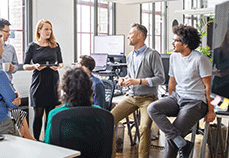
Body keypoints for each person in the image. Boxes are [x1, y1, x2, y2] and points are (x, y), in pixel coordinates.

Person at [147, 24, 216, 158]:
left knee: (171, 137)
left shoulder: (200, 59)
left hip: (195, 102)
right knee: (153, 108)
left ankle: (178, 141)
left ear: (185, 44)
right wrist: (169, 97)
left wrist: (211, 110)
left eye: (175, 40)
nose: (172, 43)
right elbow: (172, 80)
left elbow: (209, 87)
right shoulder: (174, 57)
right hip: (177, 98)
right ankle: (182, 143)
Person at [110, 23, 165, 158]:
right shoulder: (130, 56)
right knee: (109, 120)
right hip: (132, 97)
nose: (128, 36)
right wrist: (125, 80)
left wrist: (138, 81)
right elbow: (132, 77)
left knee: (144, 128)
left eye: (130, 34)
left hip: (148, 98)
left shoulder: (152, 54)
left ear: (140, 36)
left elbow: (160, 78)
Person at [23, 19, 64, 140]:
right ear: (39, 30)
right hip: (38, 82)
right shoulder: (32, 46)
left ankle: (47, 139)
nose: (49, 32)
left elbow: (61, 62)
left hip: (53, 81)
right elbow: (25, 65)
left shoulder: (55, 45)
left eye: (50, 29)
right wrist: (34, 66)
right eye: (46, 29)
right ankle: (36, 140)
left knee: (50, 115)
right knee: (38, 115)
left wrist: (58, 66)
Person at [44, 67, 101, 144]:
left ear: (64, 91)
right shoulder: (99, 113)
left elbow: (49, 144)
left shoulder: (54, 114)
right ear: (90, 89)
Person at [211, 28, 229, 99]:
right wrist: (215, 73)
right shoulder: (217, 52)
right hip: (219, 86)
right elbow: (209, 69)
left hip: (219, 87)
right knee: (219, 106)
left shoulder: (217, 51)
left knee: (220, 106)